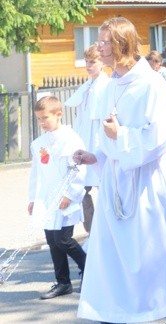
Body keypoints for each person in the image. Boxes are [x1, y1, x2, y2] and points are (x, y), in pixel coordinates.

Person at [73, 17, 166, 323]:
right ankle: (115, 310)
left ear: (120, 45)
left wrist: (122, 136)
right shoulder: (108, 84)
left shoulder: (151, 83)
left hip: (144, 181)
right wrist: (96, 155)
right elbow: (106, 134)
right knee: (112, 253)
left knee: (148, 251)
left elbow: (164, 133)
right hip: (115, 180)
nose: (97, 48)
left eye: (102, 42)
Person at [28, 96, 87, 300]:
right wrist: (33, 199)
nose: (42, 122)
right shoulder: (38, 144)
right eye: (38, 119)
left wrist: (70, 195)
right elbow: (36, 173)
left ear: (58, 114)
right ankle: (63, 282)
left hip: (65, 197)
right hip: (47, 199)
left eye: (45, 118)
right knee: (52, 241)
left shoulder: (71, 139)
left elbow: (79, 169)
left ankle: (88, 269)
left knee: (64, 240)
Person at [65, 45, 110, 234]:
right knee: (82, 186)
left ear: (102, 63)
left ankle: (107, 228)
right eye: (87, 62)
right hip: (84, 137)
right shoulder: (88, 84)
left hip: (98, 139)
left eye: (93, 62)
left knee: (103, 185)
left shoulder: (106, 84)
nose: (89, 66)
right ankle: (91, 230)